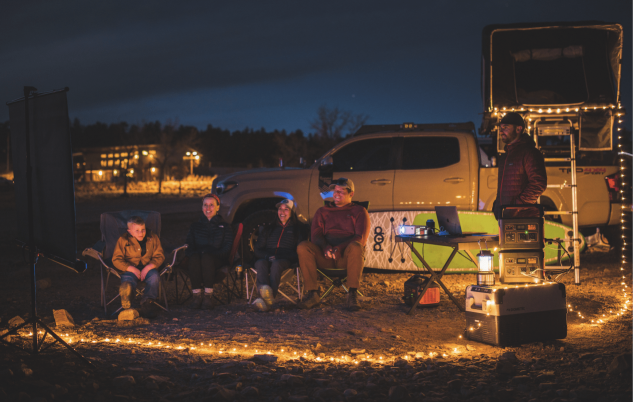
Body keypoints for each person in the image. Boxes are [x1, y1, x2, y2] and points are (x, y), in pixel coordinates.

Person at [297, 178, 370, 311]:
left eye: (341, 192)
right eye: (335, 191)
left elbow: (360, 237)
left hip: (346, 258)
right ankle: (313, 293)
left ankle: (352, 294)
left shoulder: (359, 211)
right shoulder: (322, 211)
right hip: (325, 257)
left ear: (351, 194)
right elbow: (316, 235)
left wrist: (339, 248)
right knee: (303, 246)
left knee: (356, 246)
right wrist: (326, 247)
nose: (336, 194)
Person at [252, 199, 305, 312]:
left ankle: (266, 299)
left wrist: (282, 256)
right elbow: (258, 249)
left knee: (276, 264)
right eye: (280, 209)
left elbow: (298, 252)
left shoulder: (298, 230)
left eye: (286, 209)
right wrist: (267, 256)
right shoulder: (269, 228)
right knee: (260, 263)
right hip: (268, 257)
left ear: (291, 212)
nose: (282, 212)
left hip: (284, 260)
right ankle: (266, 299)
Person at [493, 112, 547, 219]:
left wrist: (518, 206)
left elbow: (538, 183)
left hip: (523, 218)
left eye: (505, 127)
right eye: (500, 127)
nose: (501, 131)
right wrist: (497, 205)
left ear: (518, 129)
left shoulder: (530, 153)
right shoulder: (505, 157)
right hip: (505, 217)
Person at [185, 193, 234, 309]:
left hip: (217, 260)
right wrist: (195, 254)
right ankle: (196, 296)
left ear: (218, 207)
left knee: (207, 257)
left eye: (211, 205)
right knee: (194, 257)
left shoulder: (225, 227)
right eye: (205, 205)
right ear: (202, 207)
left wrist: (210, 254)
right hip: (198, 260)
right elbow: (188, 246)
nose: (208, 208)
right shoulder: (195, 226)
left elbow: (227, 249)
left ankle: (208, 296)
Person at [112, 216, 165, 318]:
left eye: (143, 230)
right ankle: (127, 298)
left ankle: (147, 302)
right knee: (128, 279)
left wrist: (149, 266)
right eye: (137, 230)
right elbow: (116, 259)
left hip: (148, 268)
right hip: (130, 269)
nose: (141, 233)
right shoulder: (123, 240)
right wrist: (130, 268)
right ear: (129, 231)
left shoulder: (153, 237)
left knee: (154, 277)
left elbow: (159, 256)